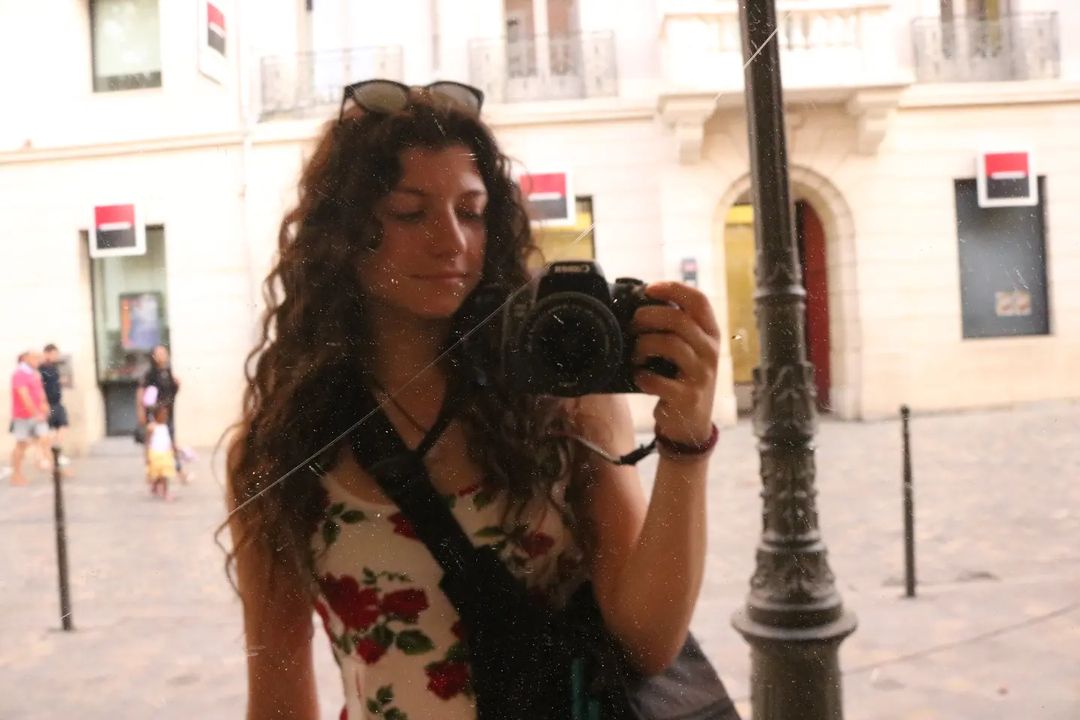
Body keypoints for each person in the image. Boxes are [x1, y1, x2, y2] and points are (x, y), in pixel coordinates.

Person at [224, 82, 720, 720]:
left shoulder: (565, 404)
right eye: (410, 213)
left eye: (472, 211)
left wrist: (686, 447)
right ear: (344, 234)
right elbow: (279, 695)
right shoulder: (281, 449)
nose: (452, 240)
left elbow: (648, 642)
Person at [137, 344, 187, 482]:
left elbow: (172, 393)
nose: (163, 356)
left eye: (164, 353)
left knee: (169, 440)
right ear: (154, 356)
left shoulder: (168, 371)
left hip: (167, 413)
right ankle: (154, 472)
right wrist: (141, 412)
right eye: (159, 353)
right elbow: (141, 392)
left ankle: (173, 470)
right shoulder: (150, 374)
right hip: (155, 415)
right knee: (153, 442)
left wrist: (177, 385)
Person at [8, 351, 50, 485]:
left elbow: (40, 391)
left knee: (45, 439)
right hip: (23, 416)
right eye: (36, 357)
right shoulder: (19, 374)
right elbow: (24, 396)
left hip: (38, 415)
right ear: (26, 358)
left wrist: (45, 405)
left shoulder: (34, 373)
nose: (39, 360)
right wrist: (35, 413)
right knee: (21, 445)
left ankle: (42, 461)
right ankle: (16, 475)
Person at [39, 344, 70, 468]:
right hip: (48, 403)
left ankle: (55, 452)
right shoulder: (41, 368)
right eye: (54, 354)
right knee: (48, 431)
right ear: (47, 353)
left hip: (57, 403)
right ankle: (48, 455)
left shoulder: (54, 367)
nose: (56, 356)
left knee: (63, 426)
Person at [145, 405, 177, 501]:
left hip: (166, 453)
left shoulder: (165, 426)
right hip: (155, 454)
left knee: (164, 474)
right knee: (159, 473)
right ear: (156, 415)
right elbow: (147, 442)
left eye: (166, 414)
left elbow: (167, 439)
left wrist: (173, 448)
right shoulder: (151, 427)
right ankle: (163, 491)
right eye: (163, 414)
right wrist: (146, 456)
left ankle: (160, 489)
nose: (165, 416)